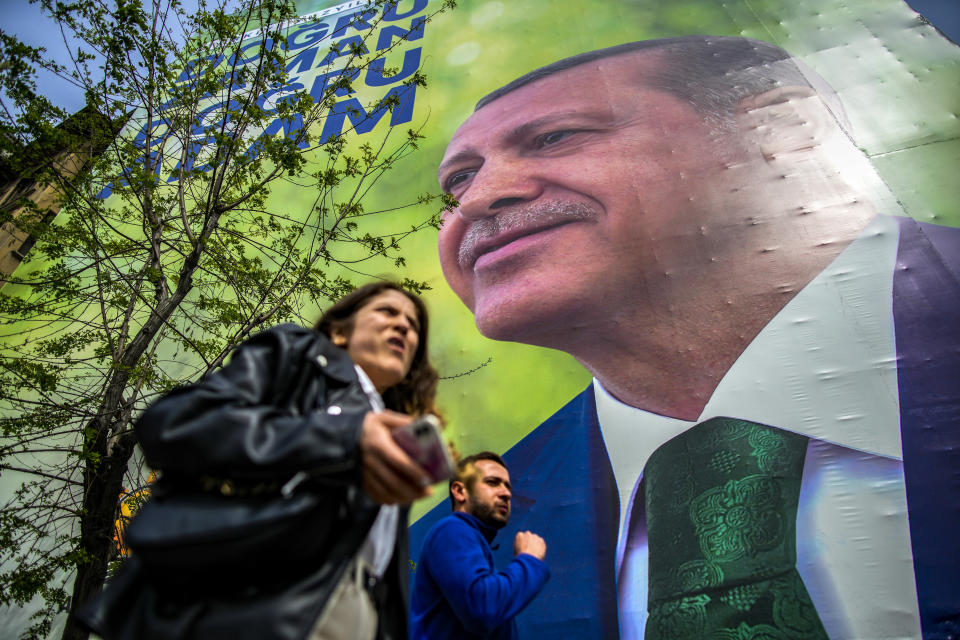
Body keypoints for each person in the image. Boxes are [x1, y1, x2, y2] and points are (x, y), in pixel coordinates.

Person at [413, 36, 960, 639]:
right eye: (459, 181)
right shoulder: (438, 553)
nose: (480, 200)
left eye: (555, 137)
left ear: (782, 128)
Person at [79, 281, 441, 640]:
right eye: (387, 312)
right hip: (249, 606)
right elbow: (175, 424)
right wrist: (342, 436)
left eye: (413, 326)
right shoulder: (296, 356)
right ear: (339, 332)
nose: (404, 327)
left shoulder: (396, 436)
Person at [410, 452, 549, 639]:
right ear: (459, 491)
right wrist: (529, 561)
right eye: (493, 482)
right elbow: (482, 609)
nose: (506, 493)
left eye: (508, 486)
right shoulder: (451, 530)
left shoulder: (472, 544)